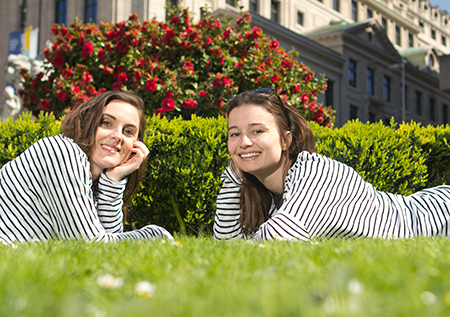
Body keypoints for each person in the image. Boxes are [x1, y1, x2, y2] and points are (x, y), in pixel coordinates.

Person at [214, 88, 450, 241]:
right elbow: (226, 247)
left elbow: (275, 241)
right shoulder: (273, 199)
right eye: (234, 134)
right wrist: (235, 174)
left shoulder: (317, 174)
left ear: (285, 140)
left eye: (257, 130)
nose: (244, 142)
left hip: (439, 215)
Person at [0, 91, 173, 244]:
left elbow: (107, 253)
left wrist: (113, 179)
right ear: (86, 123)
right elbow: (90, 244)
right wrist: (154, 234)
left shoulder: (92, 181)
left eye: (128, 131)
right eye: (106, 123)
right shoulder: (61, 151)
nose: (117, 136)